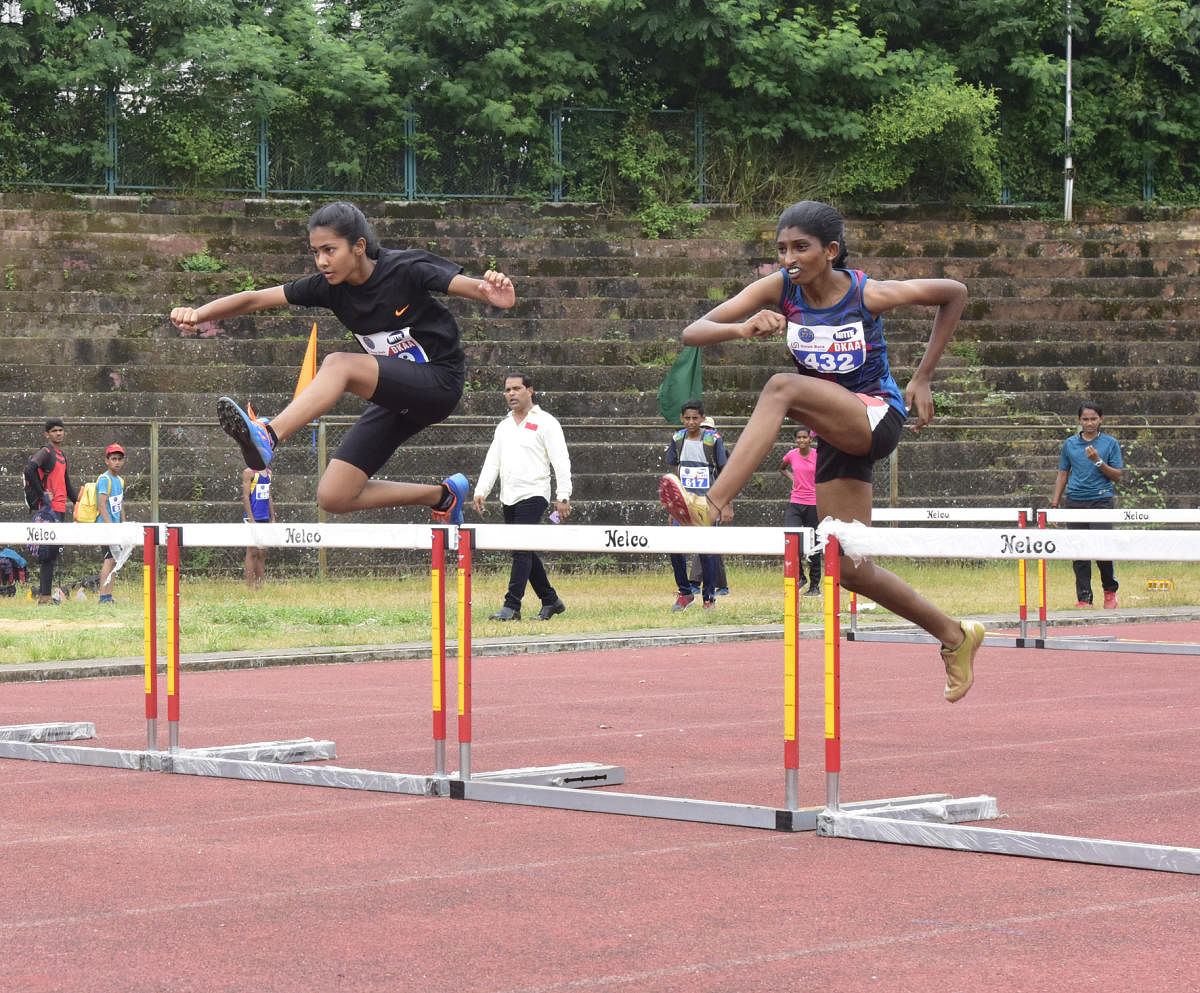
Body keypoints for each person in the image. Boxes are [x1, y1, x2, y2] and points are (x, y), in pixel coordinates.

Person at [658, 199, 983, 703]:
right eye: (782, 248)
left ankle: (714, 505)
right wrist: (742, 328)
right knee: (848, 566)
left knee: (781, 387)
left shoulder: (865, 292)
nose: (789, 257)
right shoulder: (780, 289)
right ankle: (955, 635)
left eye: (801, 248)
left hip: (876, 416)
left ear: (830, 251)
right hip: (836, 431)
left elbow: (953, 293)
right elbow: (692, 332)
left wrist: (922, 377)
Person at [168, 201, 516, 528]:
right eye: (315, 252)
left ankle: (269, 435)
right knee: (333, 495)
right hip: (399, 396)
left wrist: (492, 292)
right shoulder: (329, 288)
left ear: (359, 246)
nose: (321, 261)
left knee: (339, 365)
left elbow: (469, 287)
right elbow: (257, 298)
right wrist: (199, 314)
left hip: (440, 383)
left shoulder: (406, 269)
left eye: (329, 250)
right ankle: (443, 497)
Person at [472, 373, 572, 621]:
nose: (511, 394)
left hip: (534, 493)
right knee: (522, 549)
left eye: (516, 389)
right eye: (507, 390)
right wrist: (481, 490)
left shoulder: (547, 422)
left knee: (520, 550)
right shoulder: (504, 426)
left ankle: (512, 605)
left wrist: (563, 495)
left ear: (530, 390)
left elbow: (561, 460)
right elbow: (492, 460)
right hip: (509, 495)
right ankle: (550, 600)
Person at [1049, 401, 1124, 608]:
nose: (1089, 423)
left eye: (1093, 419)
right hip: (1075, 501)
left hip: (1101, 500)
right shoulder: (1070, 444)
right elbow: (1063, 473)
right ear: (1079, 421)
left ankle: (1110, 592)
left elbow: (1117, 476)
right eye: (1085, 419)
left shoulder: (1110, 443)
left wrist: (1098, 461)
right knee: (1079, 551)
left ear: (1101, 419)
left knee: (1101, 548)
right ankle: (1084, 598)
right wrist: (1055, 504)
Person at [664, 399, 727, 611]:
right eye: (687, 418)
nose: (691, 422)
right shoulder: (677, 438)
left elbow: (724, 472)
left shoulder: (713, 439)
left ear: (702, 418)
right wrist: (673, 505)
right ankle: (685, 592)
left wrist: (725, 504)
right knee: (675, 548)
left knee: (706, 552)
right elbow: (675, 471)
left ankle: (709, 597)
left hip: (706, 504)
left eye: (695, 418)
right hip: (683, 504)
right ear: (682, 419)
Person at [25, 418, 78, 606]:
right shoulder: (46, 452)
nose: (58, 433)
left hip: (60, 509)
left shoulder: (62, 455)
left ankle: (46, 596)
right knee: (47, 553)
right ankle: (44, 598)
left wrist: (78, 500)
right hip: (48, 510)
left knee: (53, 553)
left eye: (61, 430)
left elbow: (66, 483)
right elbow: (29, 469)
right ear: (47, 434)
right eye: (54, 430)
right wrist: (42, 494)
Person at [687, 414, 730, 596]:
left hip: (713, 503)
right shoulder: (689, 450)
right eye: (705, 429)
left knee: (706, 543)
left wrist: (726, 504)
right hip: (694, 501)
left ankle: (695, 582)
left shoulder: (720, 453)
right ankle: (722, 585)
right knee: (711, 545)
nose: (707, 433)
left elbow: (727, 477)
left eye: (710, 430)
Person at [779, 425, 822, 596]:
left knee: (814, 545)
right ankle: (800, 578)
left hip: (813, 503)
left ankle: (814, 586)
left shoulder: (817, 455)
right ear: (795, 439)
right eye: (799, 438)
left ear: (810, 439)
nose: (802, 440)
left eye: (805, 437)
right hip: (796, 502)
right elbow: (782, 468)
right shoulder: (791, 455)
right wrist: (793, 479)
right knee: (791, 539)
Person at [95, 443, 126, 604]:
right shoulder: (104, 479)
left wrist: (123, 523)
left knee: (114, 560)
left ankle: (109, 595)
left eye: (119, 459)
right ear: (107, 461)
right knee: (109, 560)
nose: (117, 462)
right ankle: (103, 596)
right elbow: (102, 505)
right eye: (113, 459)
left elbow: (119, 504)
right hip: (106, 527)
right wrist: (109, 527)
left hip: (116, 527)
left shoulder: (120, 481)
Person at [242, 466, 275, 590]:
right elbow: (245, 497)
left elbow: (269, 497)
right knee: (252, 552)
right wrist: (251, 519)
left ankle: (260, 586)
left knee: (262, 552)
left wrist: (273, 518)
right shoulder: (249, 472)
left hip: (264, 517)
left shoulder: (268, 473)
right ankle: (250, 587)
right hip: (253, 518)